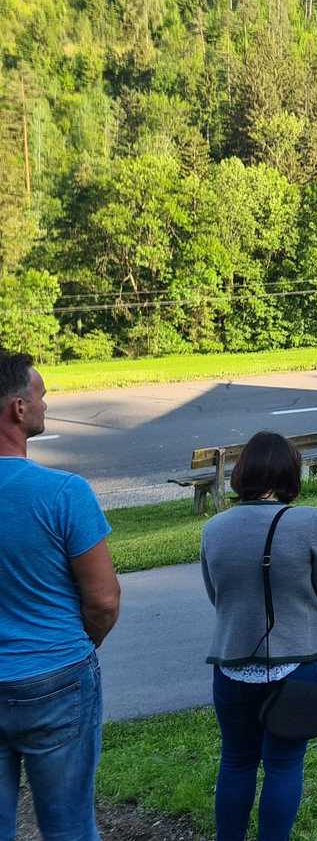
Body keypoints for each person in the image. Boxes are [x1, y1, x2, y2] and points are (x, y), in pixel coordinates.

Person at [0, 352, 119, 841]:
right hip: (57, 675)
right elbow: (104, 600)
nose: (46, 404)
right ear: (18, 409)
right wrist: (76, 643)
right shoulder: (64, 492)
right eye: (41, 395)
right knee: (69, 826)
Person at [201, 432, 317, 841]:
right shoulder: (310, 522)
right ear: (290, 473)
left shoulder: (214, 529)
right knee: (283, 764)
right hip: (298, 664)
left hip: (232, 662)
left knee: (236, 761)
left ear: (242, 472)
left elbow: (216, 596)